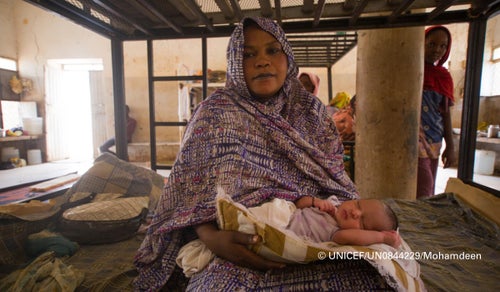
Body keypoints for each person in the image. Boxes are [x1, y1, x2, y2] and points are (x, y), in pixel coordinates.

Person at [134, 17, 359, 291]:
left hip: (315, 234)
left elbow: (336, 185)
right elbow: (186, 197)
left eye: (272, 50)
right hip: (236, 244)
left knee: (368, 276)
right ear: (234, 64)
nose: (262, 61)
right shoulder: (214, 114)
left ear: (288, 56)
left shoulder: (312, 113)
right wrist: (212, 239)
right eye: (248, 54)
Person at [417, 26, 456, 198]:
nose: (437, 50)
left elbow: (445, 113)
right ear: (422, 43)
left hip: (435, 139)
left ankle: (422, 221)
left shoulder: (444, 77)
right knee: (425, 185)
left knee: (429, 187)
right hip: (415, 139)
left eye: (443, 46)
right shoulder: (412, 71)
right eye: (432, 44)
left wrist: (451, 146)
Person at [290, 196, 400, 247]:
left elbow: (348, 236)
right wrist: (315, 201)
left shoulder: (336, 233)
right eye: (358, 204)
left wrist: (382, 237)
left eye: (362, 222)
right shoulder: (332, 202)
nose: (355, 213)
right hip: (286, 212)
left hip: (284, 232)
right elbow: (298, 204)